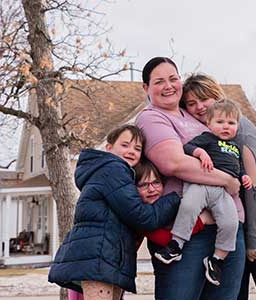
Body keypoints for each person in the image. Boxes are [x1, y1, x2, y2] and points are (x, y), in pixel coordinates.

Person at [136, 57, 245, 300]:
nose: (169, 86)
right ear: (146, 88)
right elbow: (175, 163)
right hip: (189, 234)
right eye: (159, 81)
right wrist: (227, 181)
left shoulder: (196, 116)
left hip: (227, 229)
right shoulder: (152, 117)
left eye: (173, 79)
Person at [181, 73, 256, 300]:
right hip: (234, 231)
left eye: (204, 99)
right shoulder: (210, 135)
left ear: (217, 96)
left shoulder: (240, 130)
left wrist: (254, 241)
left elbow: (253, 189)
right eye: (191, 104)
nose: (199, 107)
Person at [48, 124, 180, 300]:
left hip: (106, 257)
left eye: (137, 148)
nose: (131, 151)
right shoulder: (112, 169)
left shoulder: (114, 172)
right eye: (125, 145)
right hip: (99, 256)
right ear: (109, 148)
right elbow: (142, 217)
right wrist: (176, 198)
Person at [154, 99, 253, 287]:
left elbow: (238, 168)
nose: (226, 127)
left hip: (223, 193)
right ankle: (176, 245)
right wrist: (201, 153)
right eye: (220, 122)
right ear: (209, 123)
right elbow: (187, 148)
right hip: (201, 184)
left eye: (231, 123)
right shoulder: (207, 138)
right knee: (189, 206)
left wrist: (244, 177)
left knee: (231, 222)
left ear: (237, 126)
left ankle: (216, 259)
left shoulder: (235, 148)